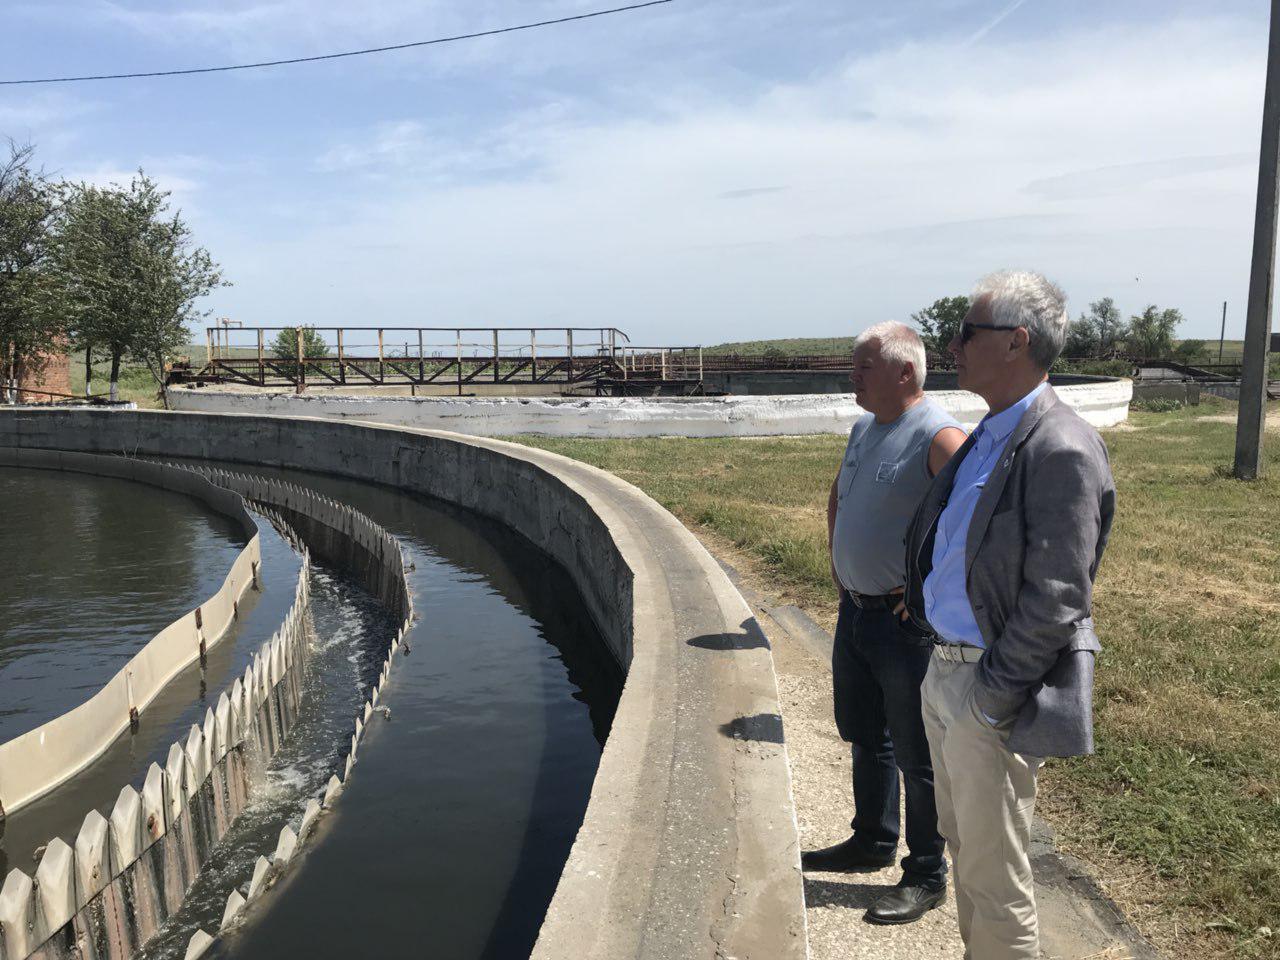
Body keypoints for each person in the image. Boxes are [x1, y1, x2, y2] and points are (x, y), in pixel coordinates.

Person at [900, 271, 1116, 959]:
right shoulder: (990, 435)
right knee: (967, 850)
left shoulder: (1061, 446)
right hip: (946, 671)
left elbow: (1059, 598)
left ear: (1016, 341)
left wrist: (992, 701)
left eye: (967, 333)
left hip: (986, 685)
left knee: (996, 879)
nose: (952, 346)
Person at [802, 321, 966, 925]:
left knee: (917, 751)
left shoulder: (940, 437)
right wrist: (839, 562)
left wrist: (926, 596)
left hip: (903, 627)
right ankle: (871, 840)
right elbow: (839, 496)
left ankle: (926, 872)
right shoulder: (866, 428)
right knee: (866, 732)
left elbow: (970, 529)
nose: (853, 377)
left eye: (863, 367)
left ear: (905, 372)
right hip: (857, 612)